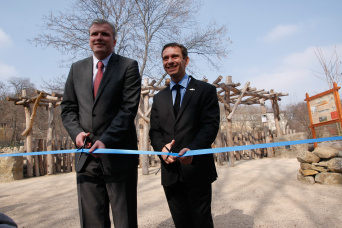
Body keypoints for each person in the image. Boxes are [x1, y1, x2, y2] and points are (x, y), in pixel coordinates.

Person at [61, 19, 141, 228]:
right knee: (92, 221)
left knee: (125, 220)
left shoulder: (128, 66)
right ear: (89, 40)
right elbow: (68, 108)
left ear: (114, 40)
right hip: (86, 158)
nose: (98, 38)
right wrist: (76, 133)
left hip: (119, 156)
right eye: (94, 34)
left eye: (104, 34)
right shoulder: (76, 69)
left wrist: (106, 140)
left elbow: (128, 109)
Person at [149, 43, 220, 228]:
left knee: (202, 222)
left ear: (186, 60)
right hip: (170, 172)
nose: (170, 61)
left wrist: (194, 150)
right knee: (181, 223)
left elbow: (210, 126)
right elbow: (155, 132)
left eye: (175, 56)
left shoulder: (205, 90)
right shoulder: (158, 98)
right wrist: (161, 149)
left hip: (197, 169)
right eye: (166, 58)